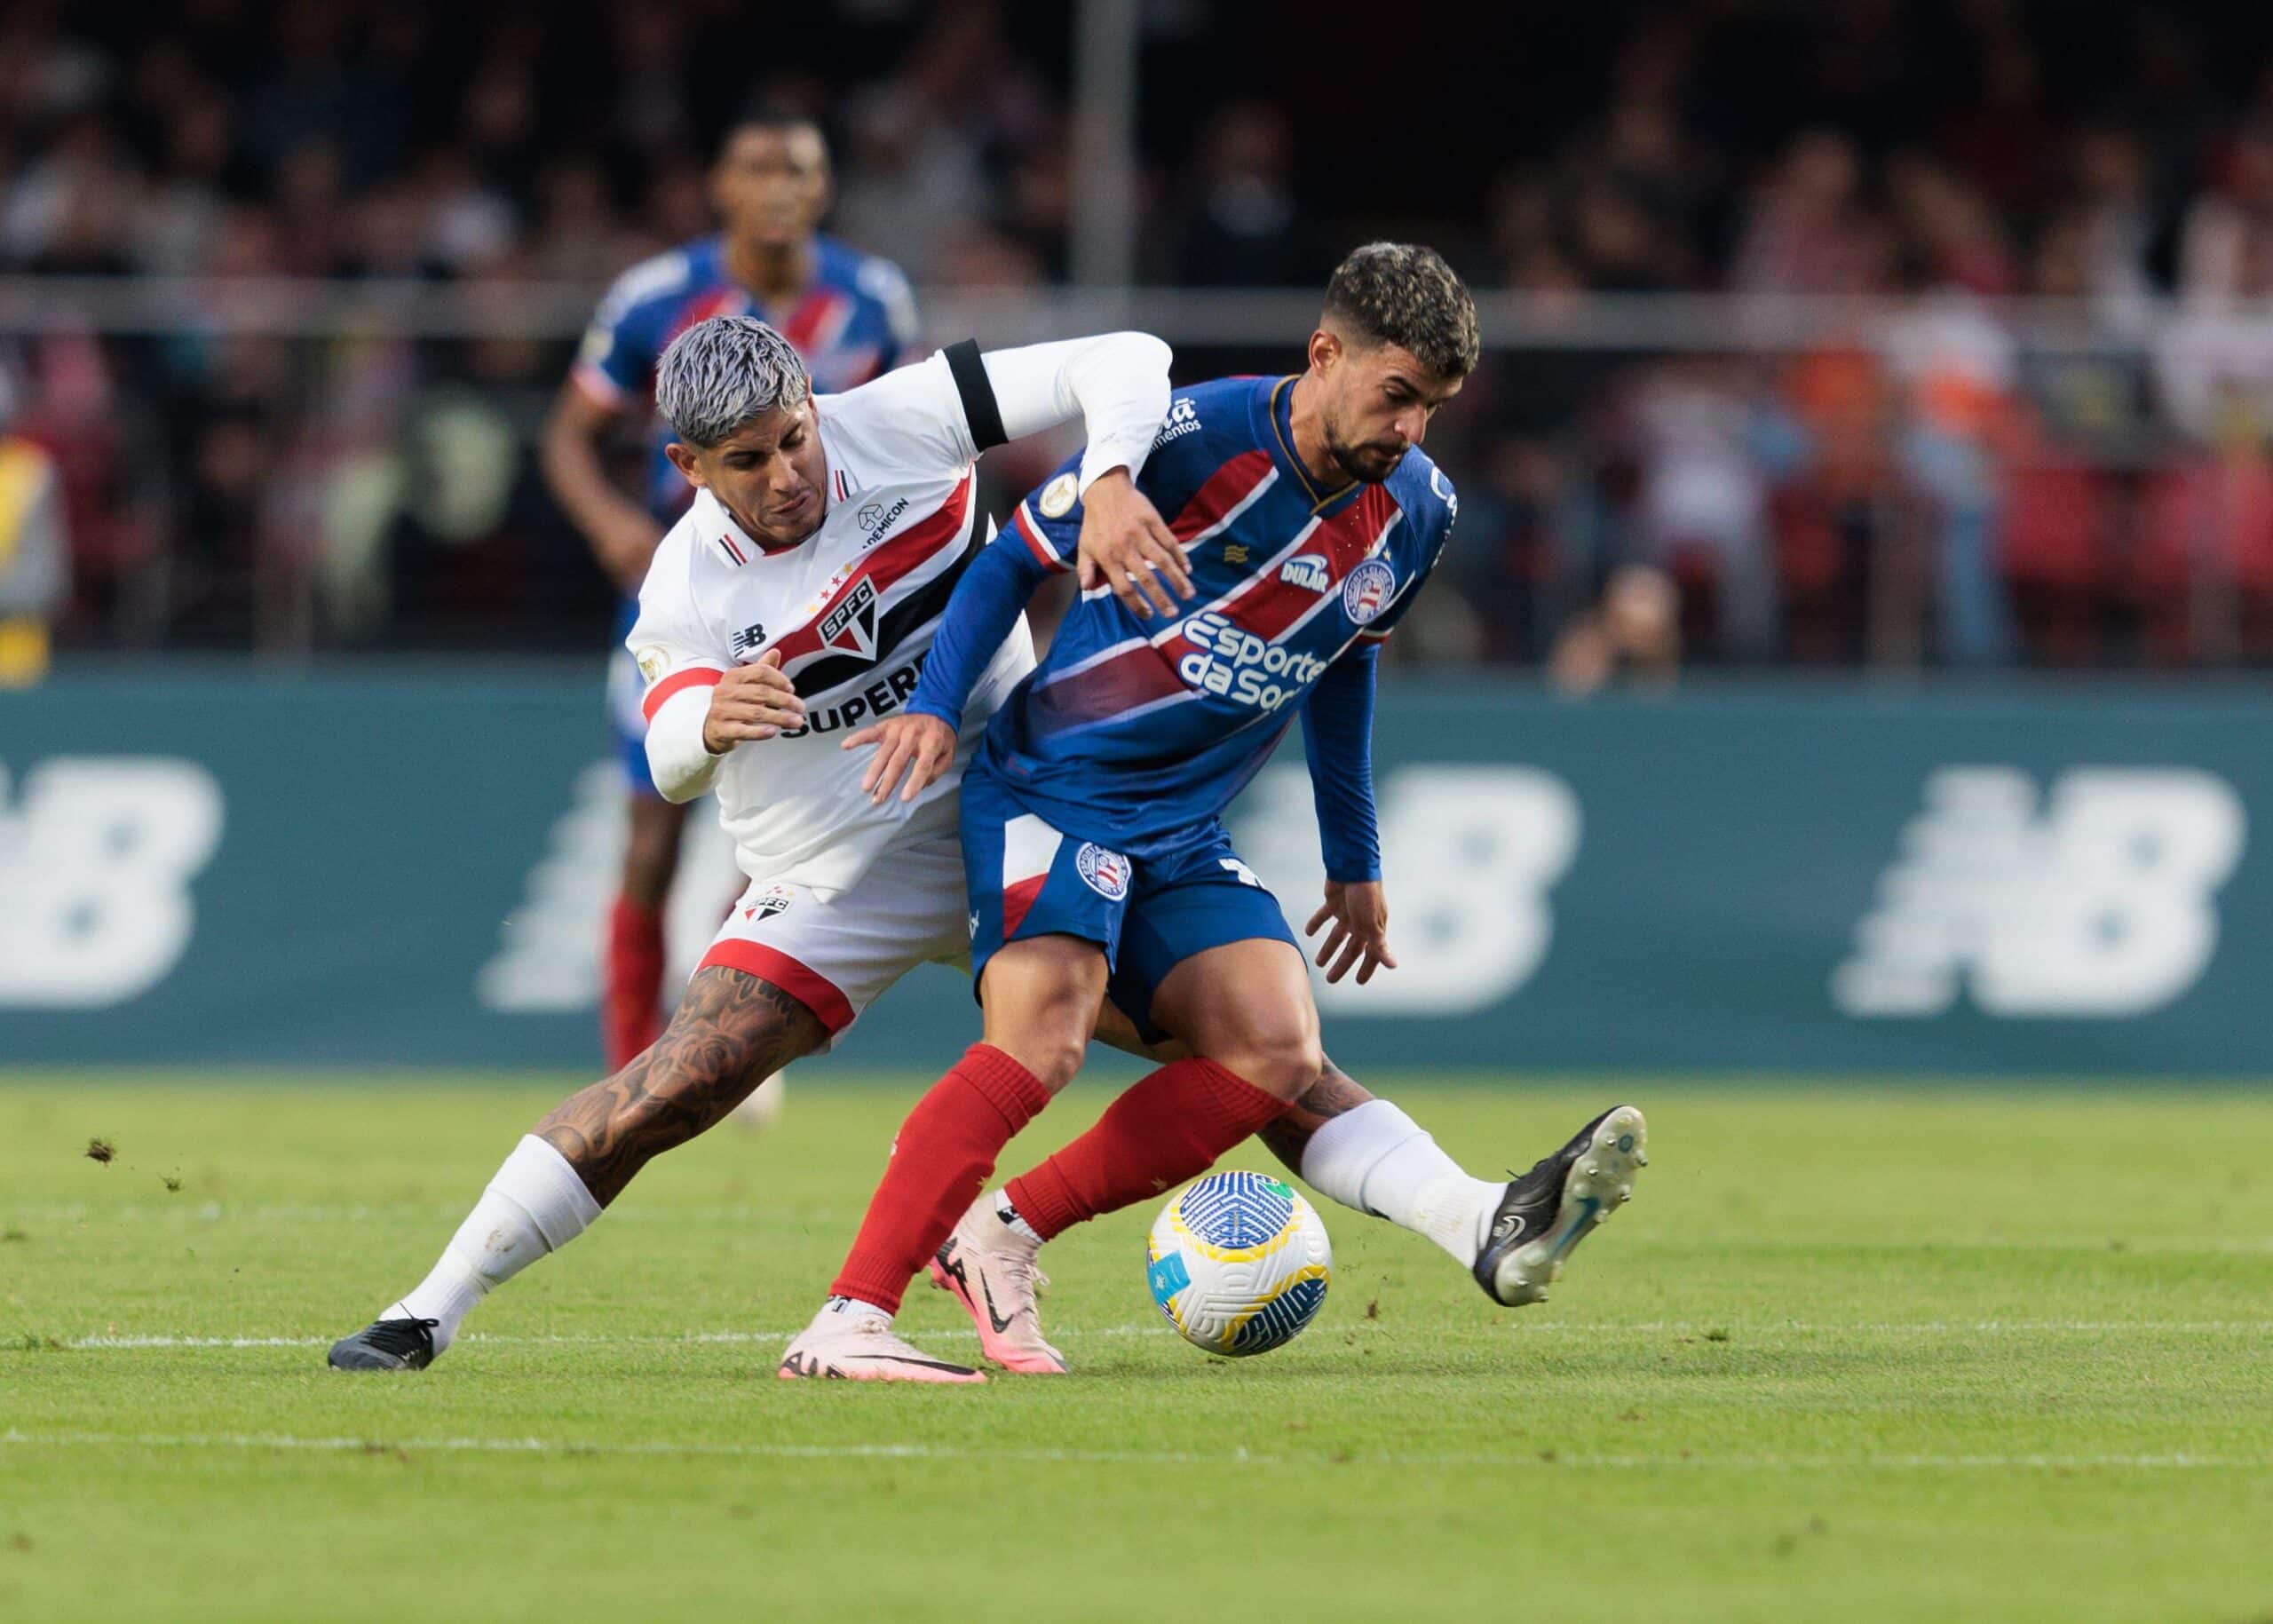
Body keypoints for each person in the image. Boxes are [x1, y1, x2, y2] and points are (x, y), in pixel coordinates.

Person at [783, 244, 1647, 1382]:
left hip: (1182, 827)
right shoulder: (1185, 440)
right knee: (1040, 1039)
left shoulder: (1416, 511)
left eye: (1434, 407)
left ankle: (1001, 1233)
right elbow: (1007, 565)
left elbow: (1348, 662)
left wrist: (1355, 853)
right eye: (1396, 395)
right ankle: (847, 1316)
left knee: (1276, 1046)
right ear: (1324, 356)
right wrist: (939, 710)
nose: (1412, 430)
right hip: (1056, 788)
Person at [328, 313, 1179, 1372]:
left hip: (1015, 807)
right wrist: (708, 719)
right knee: (676, 1081)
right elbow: (670, 744)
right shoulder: (685, 585)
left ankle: (1455, 1216)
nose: (787, 474)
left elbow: (1130, 357)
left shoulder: (907, 417)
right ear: (686, 465)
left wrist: (1106, 478)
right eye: (748, 460)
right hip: (839, 871)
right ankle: (424, 1310)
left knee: (1242, 1036)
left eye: (794, 438)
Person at [542, 104, 918, 1072]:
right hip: (698, 596)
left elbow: (912, 430)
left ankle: (722, 1035)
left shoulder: (873, 297)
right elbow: (567, 435)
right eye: (759, 167)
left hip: (833, 595)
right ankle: (631, 1069)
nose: (780, 187)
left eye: (799, 167)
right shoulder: (655, 298)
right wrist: (613, 524)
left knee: (792, 833)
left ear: (823, 187)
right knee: (653, 832)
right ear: (723, 187)